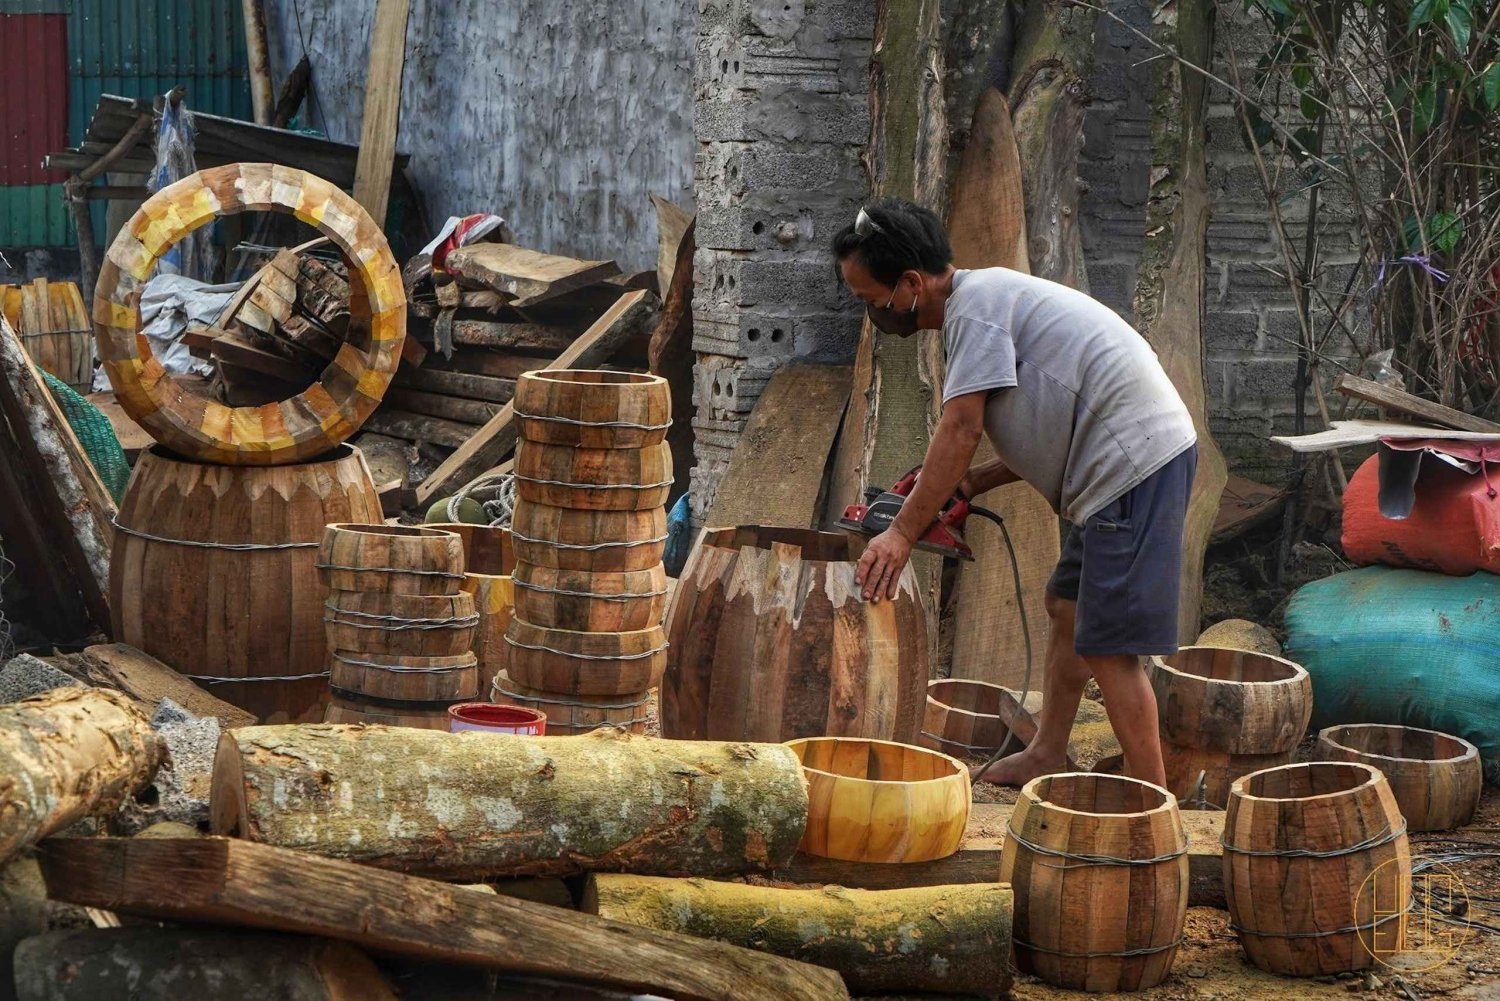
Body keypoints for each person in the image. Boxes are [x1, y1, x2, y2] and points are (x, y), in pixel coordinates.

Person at [832, 198, 1198, 788]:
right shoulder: (984, 303)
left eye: (870, 299)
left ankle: (1151, 804)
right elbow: (1046, 415)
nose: (871, 311)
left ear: (909, 284)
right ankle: (1048, 752)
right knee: (1069, 610)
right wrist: (971, 483)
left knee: (1109, 648)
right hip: (1120, 465)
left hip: (1133, 467)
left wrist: (902, 532)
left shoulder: (974, 313)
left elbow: (961, 427)